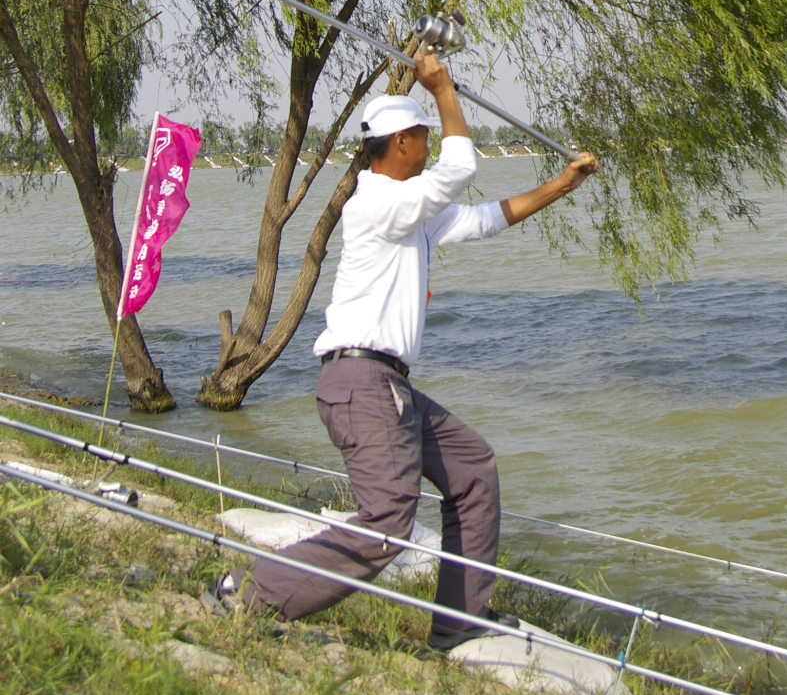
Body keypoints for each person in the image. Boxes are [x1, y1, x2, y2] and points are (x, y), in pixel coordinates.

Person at [205, 47, 598, 647]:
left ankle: (459, 623)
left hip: (386, 385)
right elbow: (460, 169)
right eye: (423, 137)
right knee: (388, 522)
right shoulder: (379, 203)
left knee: (472, 469)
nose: (430, 147)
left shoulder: (407, 209)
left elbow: (485, 218)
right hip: (362, 386)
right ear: (401, 144)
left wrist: (563, 184)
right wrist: (442, 88)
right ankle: (247, 595)